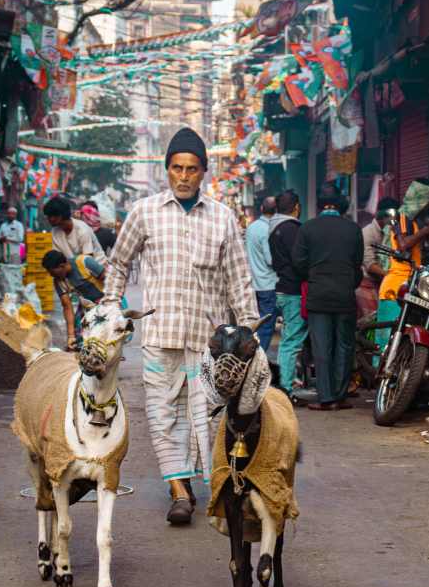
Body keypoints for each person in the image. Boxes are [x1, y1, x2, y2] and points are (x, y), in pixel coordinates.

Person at [101, 127, 258, 526]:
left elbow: (238, 277)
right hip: (160, 336)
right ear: (166, 169)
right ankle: (179, 490)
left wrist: (249, 325)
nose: (184, 176)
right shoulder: (145, 212)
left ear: (204, 172)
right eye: (176, 168)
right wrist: (110, 308)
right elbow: (119, 261)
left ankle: (209, 479)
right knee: (162, 413)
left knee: (204, 413)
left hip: (209, 341)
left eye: (191, 169)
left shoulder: (222, 217)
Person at [293, 194, 364, 410]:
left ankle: (326, 398)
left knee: (322, 348)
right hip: (344, 294)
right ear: (342, 208)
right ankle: (340, 396)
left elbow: (298, 262)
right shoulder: (353, 229)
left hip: (318, 295)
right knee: (344, 346)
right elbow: (357, 263)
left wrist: (313, 277)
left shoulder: (307, 228)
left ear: (319, 207)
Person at [376, 180, 429, 355]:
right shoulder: (403, 217)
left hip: (410, 284)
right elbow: (403, 245)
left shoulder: (414, 223)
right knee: (387, 341)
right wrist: (426, 231)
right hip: (395, 286)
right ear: (420, 202)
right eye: (428, 203)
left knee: (402, 338)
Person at [268, 190, 306, 396]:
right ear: (297, 207)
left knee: (288, 339)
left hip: (280, 288)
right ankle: (285, 388)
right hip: (292, 291)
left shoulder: (273, 227)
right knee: (291, 341)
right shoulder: (291, 229)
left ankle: (286, 382)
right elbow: (299, 260)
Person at [42, 249, 105, 350]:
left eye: (52, 272)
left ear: (62, 266)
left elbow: (109, 278)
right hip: (87, 305)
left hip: (107, 299)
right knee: (79, 337)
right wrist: (71, 336)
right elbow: (67, 307)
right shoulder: (59, 281)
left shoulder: (85, 262)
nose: (51, 275)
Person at [244, 196, 278, 353]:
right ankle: (259, 358)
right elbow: (271, 259)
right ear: (276, 211)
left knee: (256, 324)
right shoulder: (268, 229)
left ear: (262, 209)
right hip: (268, 284)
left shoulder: (252, 227)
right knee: (265, 327)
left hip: (254, 283)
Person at [358, 198, 399, 322]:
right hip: (368, 285)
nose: (396, 221)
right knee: (373, 323)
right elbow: (370, 265)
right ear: (384, 216)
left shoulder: (392, 232)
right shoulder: (367, 233)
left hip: (385, 284)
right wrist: (390, 275)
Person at [43, 195, 106, 265]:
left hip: (96, 267)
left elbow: (88, 262)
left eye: (49, 216)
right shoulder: (55, 232)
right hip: (75, 268)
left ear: (59, 216)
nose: (47, 219)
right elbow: (59, 258)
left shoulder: (82, 230)